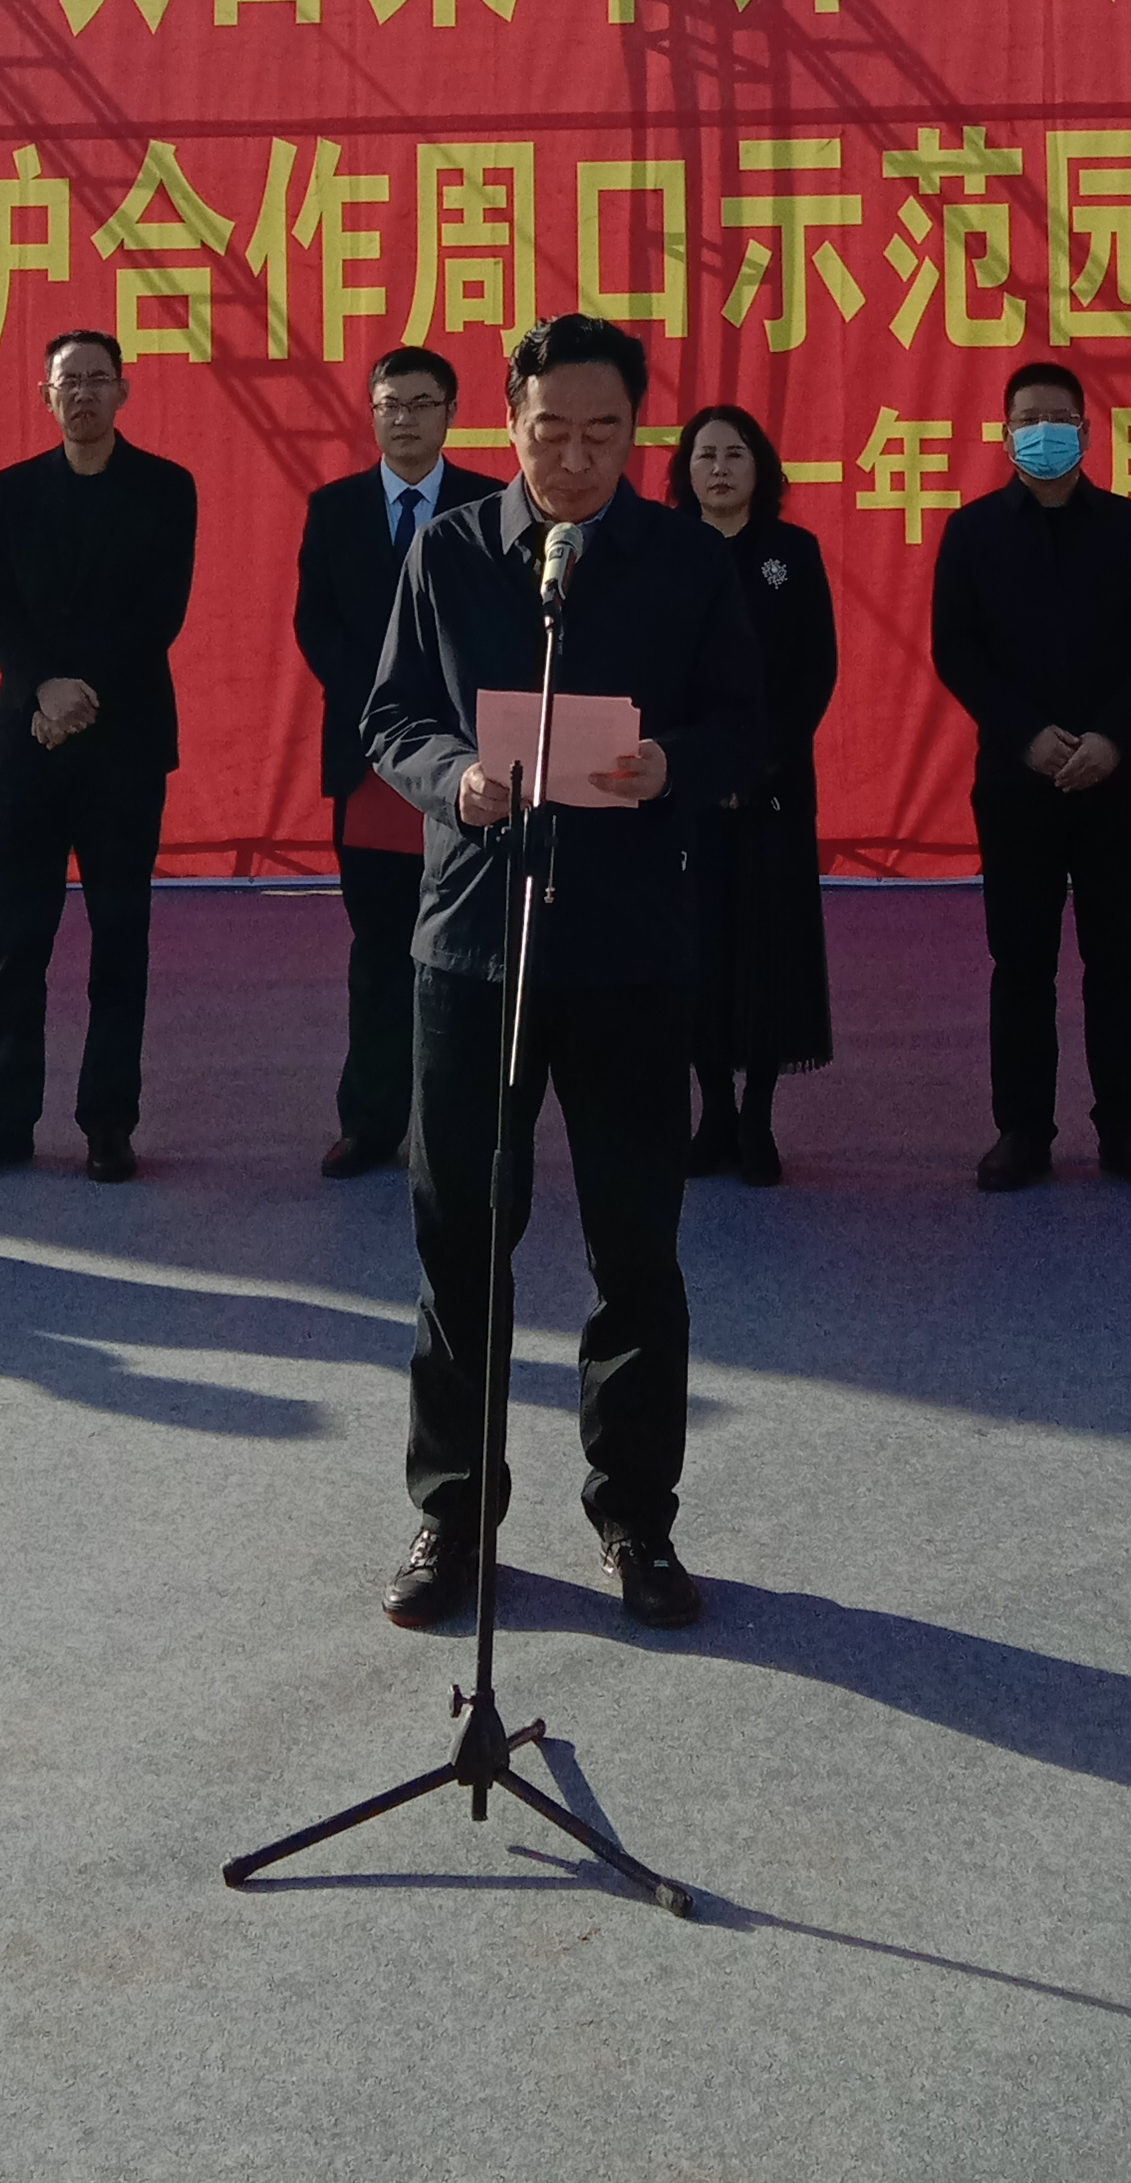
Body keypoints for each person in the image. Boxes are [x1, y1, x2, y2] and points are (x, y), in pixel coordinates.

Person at [363, 311, 768, 1634]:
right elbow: (391, 716)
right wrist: (455, 780)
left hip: (631, 947)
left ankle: (636, 1517)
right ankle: (452, 1511)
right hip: (475, 939)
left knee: (635, 1246)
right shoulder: (450, 552)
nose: (576, 459)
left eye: (603, 434)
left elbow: (745, 722)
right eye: (551, 433)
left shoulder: (683, 563)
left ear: (638, 432)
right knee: (460, 1240)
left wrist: (673, 766)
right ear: (511, 425)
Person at [0, 327, 198, 1188]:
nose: (82, 393)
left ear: (124, 390)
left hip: (125, 748)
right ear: (45, 396)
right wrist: (42, 690)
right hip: (29, 746)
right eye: (66, 381)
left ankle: (108, 1122)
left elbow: (160, 611)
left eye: (97, 379)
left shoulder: (167, 488)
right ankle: (4, 1119)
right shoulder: (15, 490)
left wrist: (78, 700)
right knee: (16, 942)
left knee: (119, 940)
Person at [930, 360, 1131, 1196]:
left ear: (1085, 429)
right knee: (1021, 964)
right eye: (1027, 419)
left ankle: (1126, 1129)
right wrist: (1025, 735)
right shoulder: (972, 533)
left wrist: (1113, 736)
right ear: (1005, 434)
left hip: (1117, 781)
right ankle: (1021, 1131)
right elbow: (957, 651)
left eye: (1059, 418)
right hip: (1017, 784)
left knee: (1119, 963)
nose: (1043, 432)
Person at [292, 347, 502, 1177]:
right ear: (372, 413)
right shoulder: (334, 508)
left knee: (466, 959)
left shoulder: (490, 505)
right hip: (370, 766)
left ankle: (458, 1128)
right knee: (379, 952)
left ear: (451, 412)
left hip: (467, 767)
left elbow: (501, 629)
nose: (404, 419)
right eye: (390, 405)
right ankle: (371, 1121)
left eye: (421, 403)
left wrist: (445, 716)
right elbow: (316, 624)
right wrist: (383, 704)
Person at [667, 402, 836, 1184]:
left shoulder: (791, 554)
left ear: (759, 468)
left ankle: (759, 1116)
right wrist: (703, 766)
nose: (720, 468)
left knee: (769, 947)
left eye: (735, 454)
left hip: (773, 786)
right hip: (685, 789)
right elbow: (655, 674)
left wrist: (754, 765)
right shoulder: (665, 553)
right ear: (685, 471)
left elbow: (814, 671)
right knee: (698, 948)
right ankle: (714, 1113)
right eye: (705, 455)